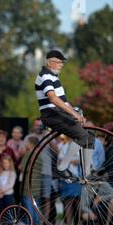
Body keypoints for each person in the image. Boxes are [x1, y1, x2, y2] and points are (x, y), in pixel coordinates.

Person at [35, 50, 94, 179]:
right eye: (59, 62)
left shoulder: (54, 77)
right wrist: (74, 114)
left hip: (58, 113)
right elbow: (53, 99)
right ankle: (62, 167)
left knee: (90, 137)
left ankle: (88, 174)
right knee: (82, 136)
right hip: (51, 114)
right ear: (49, 62)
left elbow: (64, 102)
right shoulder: (44, 76)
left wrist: (75, 114)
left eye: (62, 63)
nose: (61, 65)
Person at [0, 155, 17, 225]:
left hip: (8, 195)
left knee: (8, 211)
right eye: (4, 163)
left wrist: (2, 191)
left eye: (7, 163)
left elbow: (10, 185)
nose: (5, 165)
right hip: (0, 195)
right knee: (0, 210)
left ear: (10, 164)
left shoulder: (12, 173)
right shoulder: (0, 172)